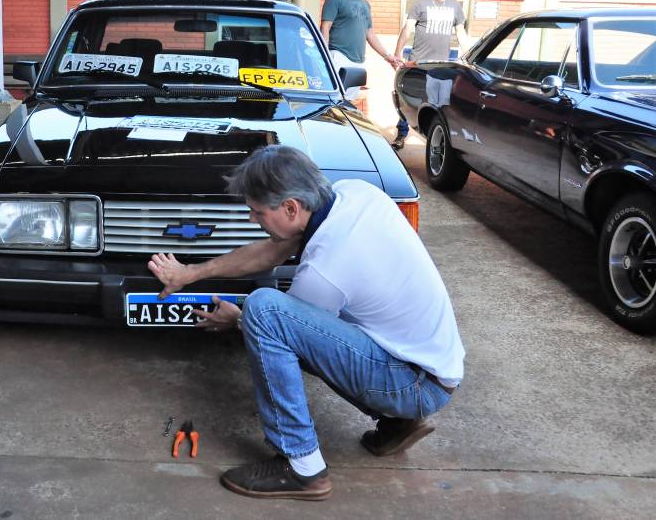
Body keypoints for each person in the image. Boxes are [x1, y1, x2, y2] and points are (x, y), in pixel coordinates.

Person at [148, 145, 465, 501]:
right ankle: (397, 423)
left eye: (257, 212)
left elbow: (282, 332)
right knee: (273, 314)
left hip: (412, 384)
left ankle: (301, 466)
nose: (254, 220)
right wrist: (190, 274)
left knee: (264, 309)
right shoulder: (354, 194)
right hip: (427, 367)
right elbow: (271, 251)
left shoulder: (325, 269)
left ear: (290, 207)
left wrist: (239, 319)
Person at [390, 0, 470, 150]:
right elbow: (407, 29)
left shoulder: (455, 6)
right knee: (409, 102)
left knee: (440, 106)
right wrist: (397, 54)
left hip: (441, 67)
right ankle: (401, 134)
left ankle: (435, 142)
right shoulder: (420, 4)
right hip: (419, 64)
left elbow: (461, 33)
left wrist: (469, 57)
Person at [320, 0, 403, 100]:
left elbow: (370, 34)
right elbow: (325, 27)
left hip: (358, 62)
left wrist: (389, 57)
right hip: (338, 57)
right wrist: (324, 58)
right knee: (332, 101)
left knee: (348, 105)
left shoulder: (365, 3)